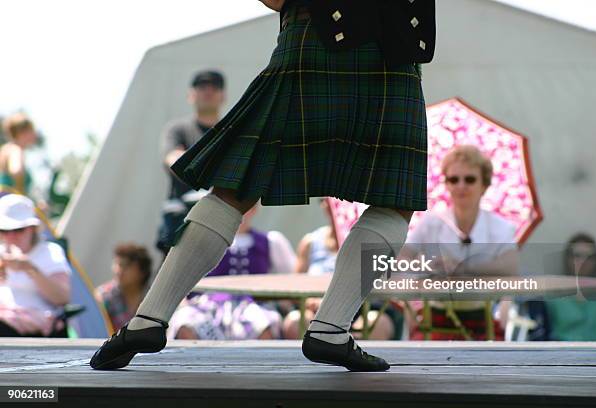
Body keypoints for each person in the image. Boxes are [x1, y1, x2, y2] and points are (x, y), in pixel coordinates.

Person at [91, 0, 436, 372]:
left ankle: (147, 320)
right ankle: (331, 329)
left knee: (236, 186)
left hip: (314, 36)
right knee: (394, 199)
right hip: (393, 50)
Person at [405, 145, 518, 340]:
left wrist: (464, 266)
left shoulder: (501, 227)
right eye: (453, 179)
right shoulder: (431, 223)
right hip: (434, 319)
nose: (461, 186)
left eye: (470, 179)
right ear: (446, 184)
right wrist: (428, 265)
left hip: (482, 320)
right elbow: (401, 258)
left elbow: (510, 265)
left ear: (484, 184)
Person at [168, 204, 296, 340]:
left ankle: (255, 362)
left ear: (254, 209)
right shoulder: (203, 242)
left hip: (253, 305)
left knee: (266, 323)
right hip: (209, 305)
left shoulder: (270, 241)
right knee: (185, 322)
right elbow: (180, 280)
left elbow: (291, 280)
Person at [282, 199, 398, 341]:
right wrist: (312, 301)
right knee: (295, 321)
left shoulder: (372, 244)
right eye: (328, 200)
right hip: (315, 312)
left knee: (378, 323)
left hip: (360, 310)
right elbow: (295, 286)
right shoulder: (310, 242)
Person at [156, 70, 226, 256]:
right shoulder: (178, 129)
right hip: (182, 221)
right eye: (202, 87)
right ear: (191, 95)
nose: (208, 91)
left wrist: (190, 160)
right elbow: (173, 161)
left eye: (215, 87)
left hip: (221, 221)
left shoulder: (231, 133)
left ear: (223, 95)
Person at [0, 194, 71, 337]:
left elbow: (62, 297)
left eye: (19, 230)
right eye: (5, 230)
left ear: (32, 229)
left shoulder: (49, 252)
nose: (11, 236)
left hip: (34, 329)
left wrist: (28, 268)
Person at [544, 233, 596, 341]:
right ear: (568, 258)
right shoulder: (553, 294)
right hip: (561, 354)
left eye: (589, 257)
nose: (583, 262)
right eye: (577, 255)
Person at [96, 244, 153, 332]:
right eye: (116, 264)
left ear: (142, 271)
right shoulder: (103, 296)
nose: (118, 270)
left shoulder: (153, 298)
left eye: (125, 265)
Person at [0, 113, 37, 195]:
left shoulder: (5, 149)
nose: (34, 134)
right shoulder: (16, 150)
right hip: (9, 201)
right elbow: (16, 171)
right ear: (22, 132)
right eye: (31, 130)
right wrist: (22, 196)